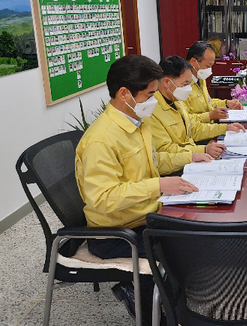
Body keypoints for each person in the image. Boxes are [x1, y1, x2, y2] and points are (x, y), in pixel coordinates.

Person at [75, 55, 213, 324]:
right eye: (149, 94)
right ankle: (157, 311)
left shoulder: (137, 123)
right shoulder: (101, 140)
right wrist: (159, 184)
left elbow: (155, 161)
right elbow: (102, 199)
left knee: (200, 234)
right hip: (116, 233)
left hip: (146, 214)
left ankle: (177, 303)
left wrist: (191, 155)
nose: (154, 100)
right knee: (183, 253)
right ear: (124, 93)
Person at [145, 56, 240, 161]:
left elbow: (194, 129)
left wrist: (224, 128)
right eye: (184, 84)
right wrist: (202, 150)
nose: (188, 89)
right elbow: (165, 150)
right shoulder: (152, 111)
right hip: (179, 164)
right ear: (167, 82)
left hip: (191, 154)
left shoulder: (176, 100)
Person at [185, 41, 243, 124]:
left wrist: (226, 103)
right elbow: (185, 119)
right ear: (194, 62)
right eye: (208, 66)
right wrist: (209, 116)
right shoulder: (182, 86)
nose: (210, 70)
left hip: (209, 127)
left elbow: (207, 102)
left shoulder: (200, 78)